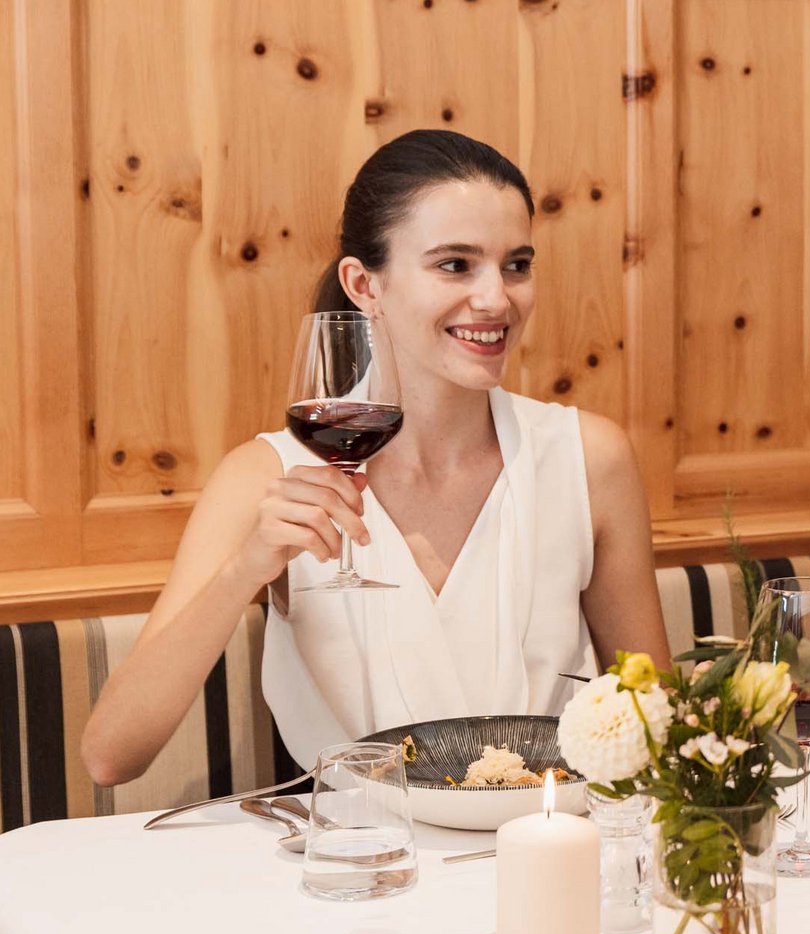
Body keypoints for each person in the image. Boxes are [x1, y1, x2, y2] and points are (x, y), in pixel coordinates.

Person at [82, 129, 670, 780]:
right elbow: (111, 756)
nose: (497, 299)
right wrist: (247, 567)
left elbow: (656, 721)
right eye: (455, 265)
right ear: (364, 285)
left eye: (517, 265)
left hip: (547, 830)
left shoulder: (588, 460)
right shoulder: (265, 477)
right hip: (355, 841)